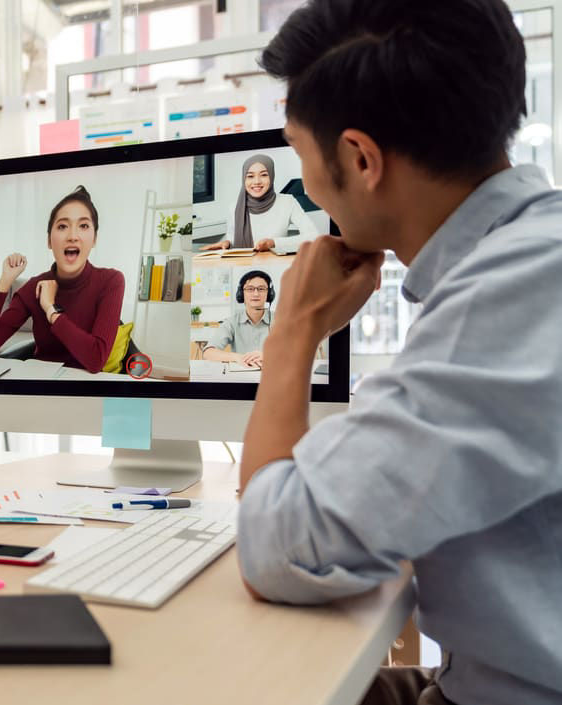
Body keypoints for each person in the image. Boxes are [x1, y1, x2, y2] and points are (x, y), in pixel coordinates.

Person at [236, 2, 562, 705]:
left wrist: (293, 332)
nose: (304, 184)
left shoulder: (514, 296)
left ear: (359, 158)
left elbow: (277, 545)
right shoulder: (524, 259)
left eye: (298, 154)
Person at [0, 185, 125, 373]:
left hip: (86, 391)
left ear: (94, 239)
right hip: (42, 388)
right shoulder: (33, 287)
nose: (73, 236)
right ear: (49, 241)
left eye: (83, 226)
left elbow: (96, 360)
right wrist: (5, 282)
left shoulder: (111, 281)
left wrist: (51, 310)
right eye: (62, 226)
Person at [201, 153, 318, 252]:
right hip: (243, 267)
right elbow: (233, 239)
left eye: (263, 175)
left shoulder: (287, 202)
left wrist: (273, 243)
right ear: (244, 179)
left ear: (271, 176)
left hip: (274, 265)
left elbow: (313, 236)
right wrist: (227, 243)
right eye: (250, 176)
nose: (256, 181)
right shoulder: (235, 207)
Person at [202, 270, 272, 367]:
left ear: (269, 294)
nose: (256, 294)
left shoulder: (282, 320)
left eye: (261, 289)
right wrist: (237, 357)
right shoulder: (231, 322)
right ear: (241, 294)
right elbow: (208, 353)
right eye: (250, 289)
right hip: (242, 378)